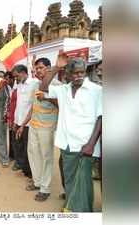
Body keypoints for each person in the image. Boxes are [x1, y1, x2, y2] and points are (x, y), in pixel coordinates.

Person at [40, 56, 102, 212]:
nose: (78, 76)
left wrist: (91, 144)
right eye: (74, 73)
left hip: (85, 144)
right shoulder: (64, 89)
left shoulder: (96, 90)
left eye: (81, 72)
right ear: (68, 74)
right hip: (66, 142)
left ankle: (83, 211)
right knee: (69, 178)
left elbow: (101, 117)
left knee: (84, 181)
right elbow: (43, 87)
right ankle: (71, 205)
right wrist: (56, 67)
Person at [27, 58, 62, 201]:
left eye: (41, 68)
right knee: (33, 154)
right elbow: (33, 106)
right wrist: (24, 123)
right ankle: (37, 182)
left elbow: (63, 105)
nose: (38, 71)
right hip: (34, 125)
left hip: (47, 128)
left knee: (47, 157)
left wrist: (47, 98)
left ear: (49, 68)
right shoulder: (35, 84)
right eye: (36, 69)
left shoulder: (57, 85)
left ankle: (45, 189)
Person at [10, 65, 38, 178]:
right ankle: (22, 166)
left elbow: (33, 106)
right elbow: (19, 104)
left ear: (23, 72)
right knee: (18, 145)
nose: (15, 79)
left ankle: (30, 172)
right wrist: (14, 121)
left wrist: (23, 124)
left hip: (28, 123)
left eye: (16, 76)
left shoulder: (35, 83)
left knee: (28, 148)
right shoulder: (19, 85)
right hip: (18, 120)